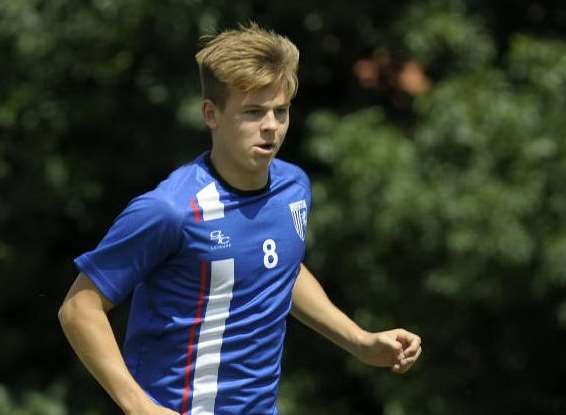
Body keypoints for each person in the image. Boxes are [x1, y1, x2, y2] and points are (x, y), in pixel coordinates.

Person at [58, 23, 422, 415]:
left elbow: (280, 267)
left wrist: (360, 342)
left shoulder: (293, 187)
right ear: (210, 114)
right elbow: (79, 309)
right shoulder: (170, 210)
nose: (271, 126)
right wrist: (139, 407)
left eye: (280, 111)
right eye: (253, 112)